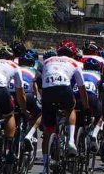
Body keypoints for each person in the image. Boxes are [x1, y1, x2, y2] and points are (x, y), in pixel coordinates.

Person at [39, 41, 88, 170]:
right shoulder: (74, 63)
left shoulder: (47, 61)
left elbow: (42, 80)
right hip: (64, 89)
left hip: (48, 92)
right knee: (71, 108)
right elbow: (81, 88)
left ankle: (45, 167)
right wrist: (86, 106)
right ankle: (71, 140)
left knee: (48, 130)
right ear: (72, 53)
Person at [16, 51, 43, 151]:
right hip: (28, 95)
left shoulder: (15, 68)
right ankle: (30, 134)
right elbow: (40, 90)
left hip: (12, 95)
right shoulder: (35, 71)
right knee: (40, 114)